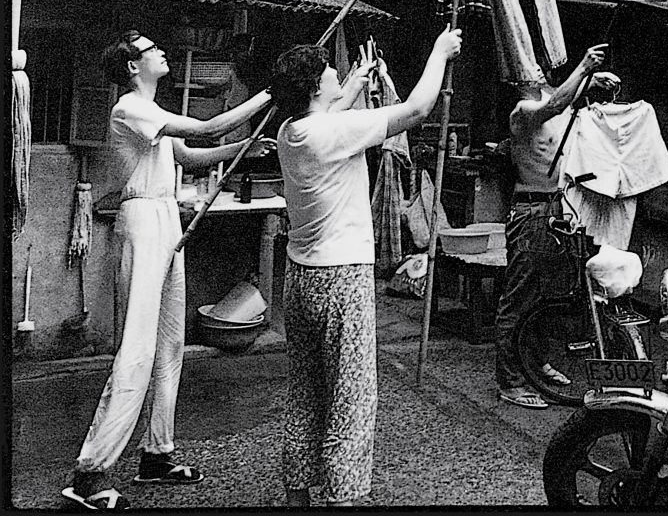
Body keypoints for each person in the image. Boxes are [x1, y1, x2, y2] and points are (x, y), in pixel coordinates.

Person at [62, 31, 274, 512]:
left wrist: (243, 147)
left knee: (169, 345)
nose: (161, 52)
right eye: (151, 49)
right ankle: (88, 475)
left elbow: (189, 154)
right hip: (142, 219)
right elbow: (207, 128)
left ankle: (157, 453)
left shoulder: (153, 113)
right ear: (132, 67)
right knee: (138, 349)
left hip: (166, 216)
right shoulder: (128, 108)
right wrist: (269, 93)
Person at [272, 25, 462, 508]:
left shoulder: (289, 132)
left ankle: (298, 496)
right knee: (352, 395)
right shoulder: (333, 131)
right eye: (328, 72)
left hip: (299, 277)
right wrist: (439, 52)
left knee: (306, 389)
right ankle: (344, 498)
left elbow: (327, 116)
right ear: (315, 86)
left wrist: (355, 83)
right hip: (341, 278)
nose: (335, 74)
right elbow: (416, 109)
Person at [494, 44, 616, 409]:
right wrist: (585, 68)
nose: (537, 67)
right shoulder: (522, 111)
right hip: (531, 211)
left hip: (558, 209)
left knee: (550, 297)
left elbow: (563, 97)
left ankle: (537, 363)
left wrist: (591, 80)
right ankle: (511, 383)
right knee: (518, 299)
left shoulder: (554, 94)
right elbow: (555, 106)